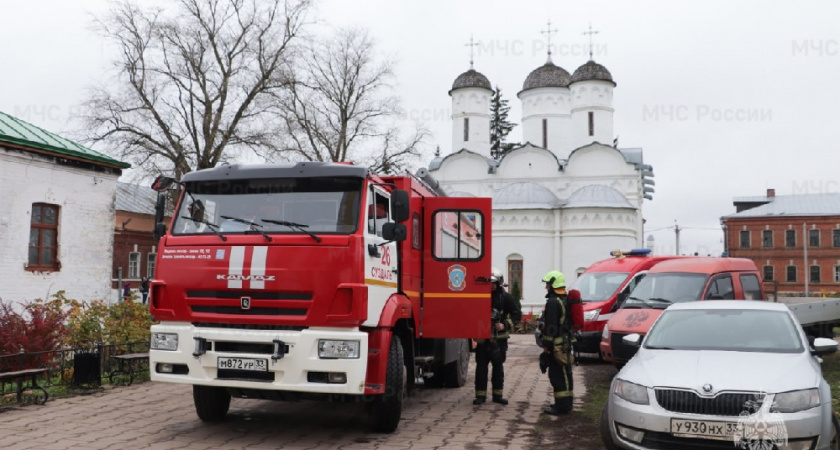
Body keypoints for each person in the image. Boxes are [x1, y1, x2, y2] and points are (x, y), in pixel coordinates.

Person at [473, 267, 522, 406]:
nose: (491, 286)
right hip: (483, 338)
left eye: (494, 283)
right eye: (489, 283)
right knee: (481, 367)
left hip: (499, 339)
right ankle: (480, 395)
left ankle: (497, 395)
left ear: (499, 283)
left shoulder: (506, 298)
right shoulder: (481, 296)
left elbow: (516, 314)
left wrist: (504, 324)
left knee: (498, 367)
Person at [538, 271, 582, 415]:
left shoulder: (552, 302)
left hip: (557, 346)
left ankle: (561, 406)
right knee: (566, 373)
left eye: (547, 284)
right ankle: (566, 404)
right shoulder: (564, 299)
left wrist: (546, 346)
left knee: (557, 375)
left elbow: (551, 327)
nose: (546, 287)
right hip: (566, 343)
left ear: (553, 284)